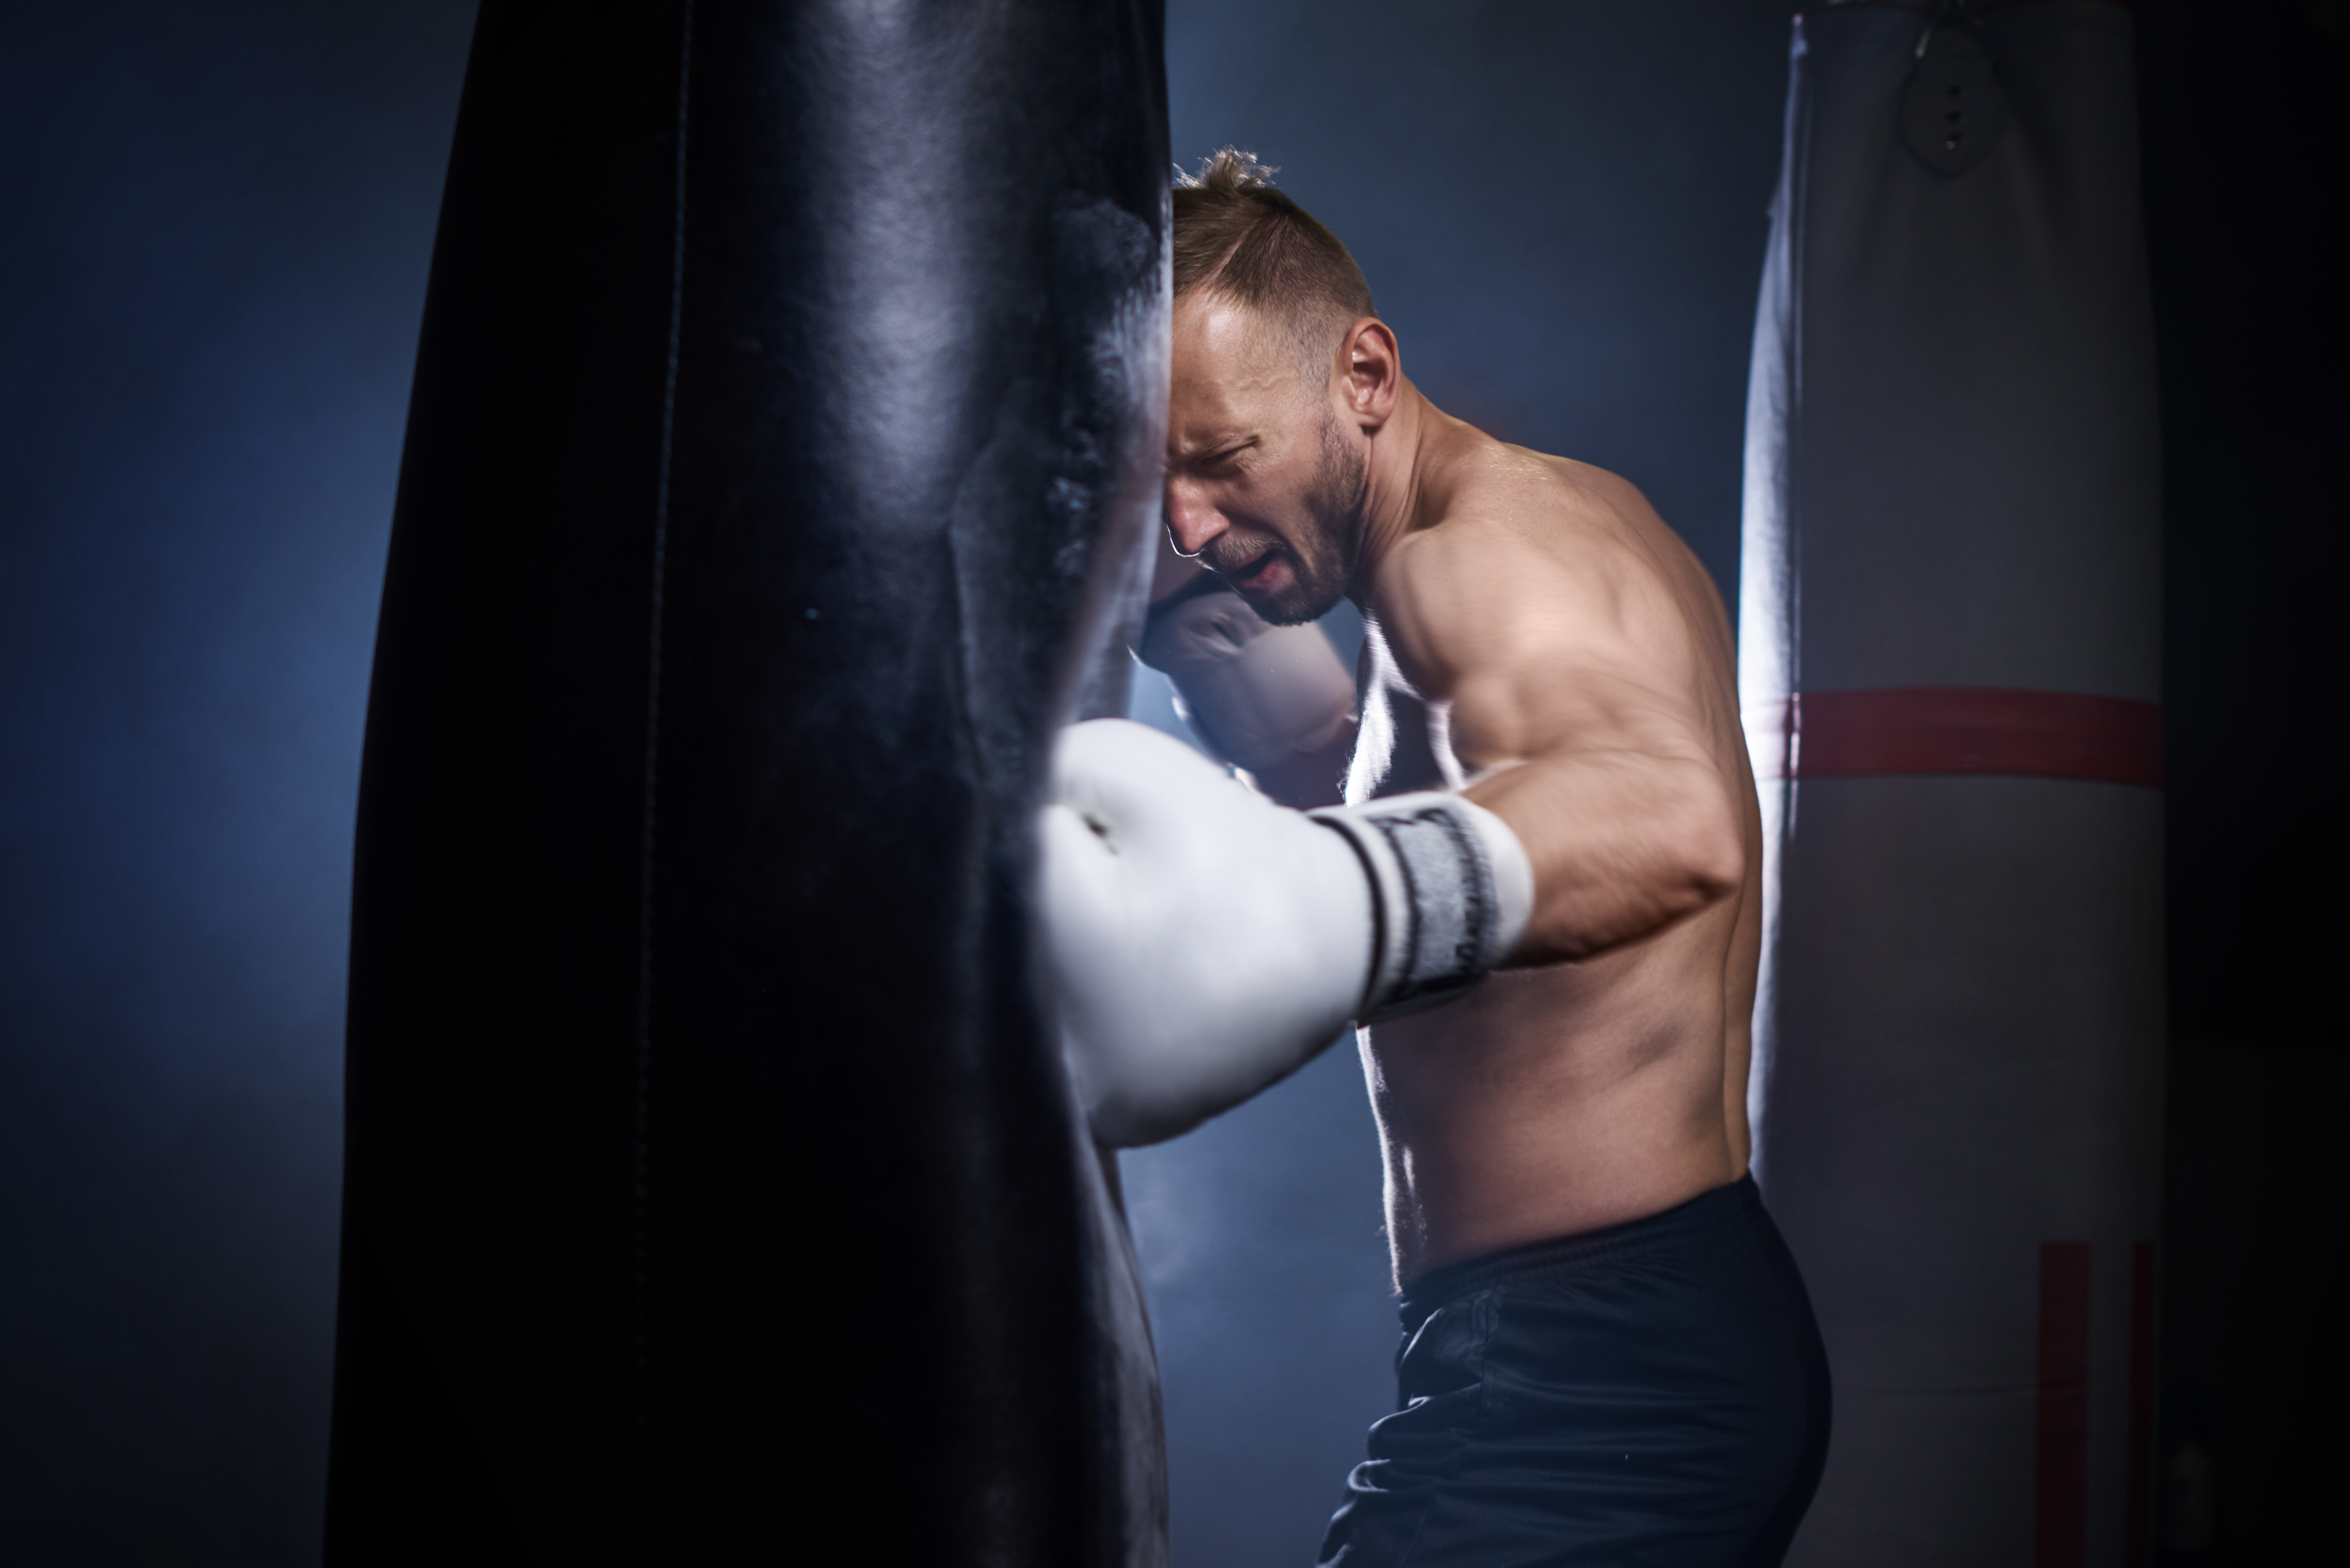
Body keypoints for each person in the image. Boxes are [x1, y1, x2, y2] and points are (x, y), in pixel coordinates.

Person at [1037, 149, 1830, 1565]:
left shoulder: (1476, 567)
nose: (1189, 527)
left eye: (1223, 461)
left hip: (1588, 1363)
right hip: (1642, 1324)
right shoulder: (1546, 525)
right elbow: (1479, 816)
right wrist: (1241, 685)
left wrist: (1316, 902)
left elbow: (1666, 819)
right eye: (1159, 485)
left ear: (1362, 372)